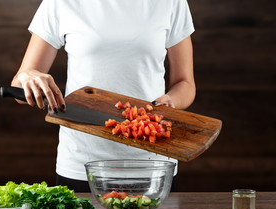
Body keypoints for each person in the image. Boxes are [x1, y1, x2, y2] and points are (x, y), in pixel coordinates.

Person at [11, 0, 196, 192]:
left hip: (154, 164)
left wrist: (171, 101)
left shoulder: (172, 2)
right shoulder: (60, 2)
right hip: (82, 163)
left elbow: (185, 83)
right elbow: (19, 85)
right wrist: (27, 77)